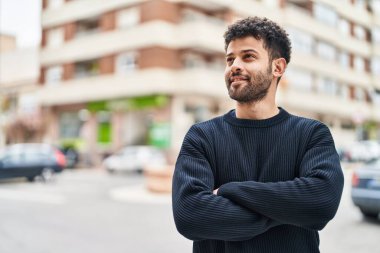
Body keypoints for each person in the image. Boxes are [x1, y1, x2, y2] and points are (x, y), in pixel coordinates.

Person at [172, 16, 344, 253]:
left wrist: (229, 191)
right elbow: (189, 217)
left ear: (278, 67)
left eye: (248, 56)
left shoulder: (311, 134)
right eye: (230, 59)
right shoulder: (202, 136)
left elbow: (321, 203)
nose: (235, 65)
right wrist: (290, 211)